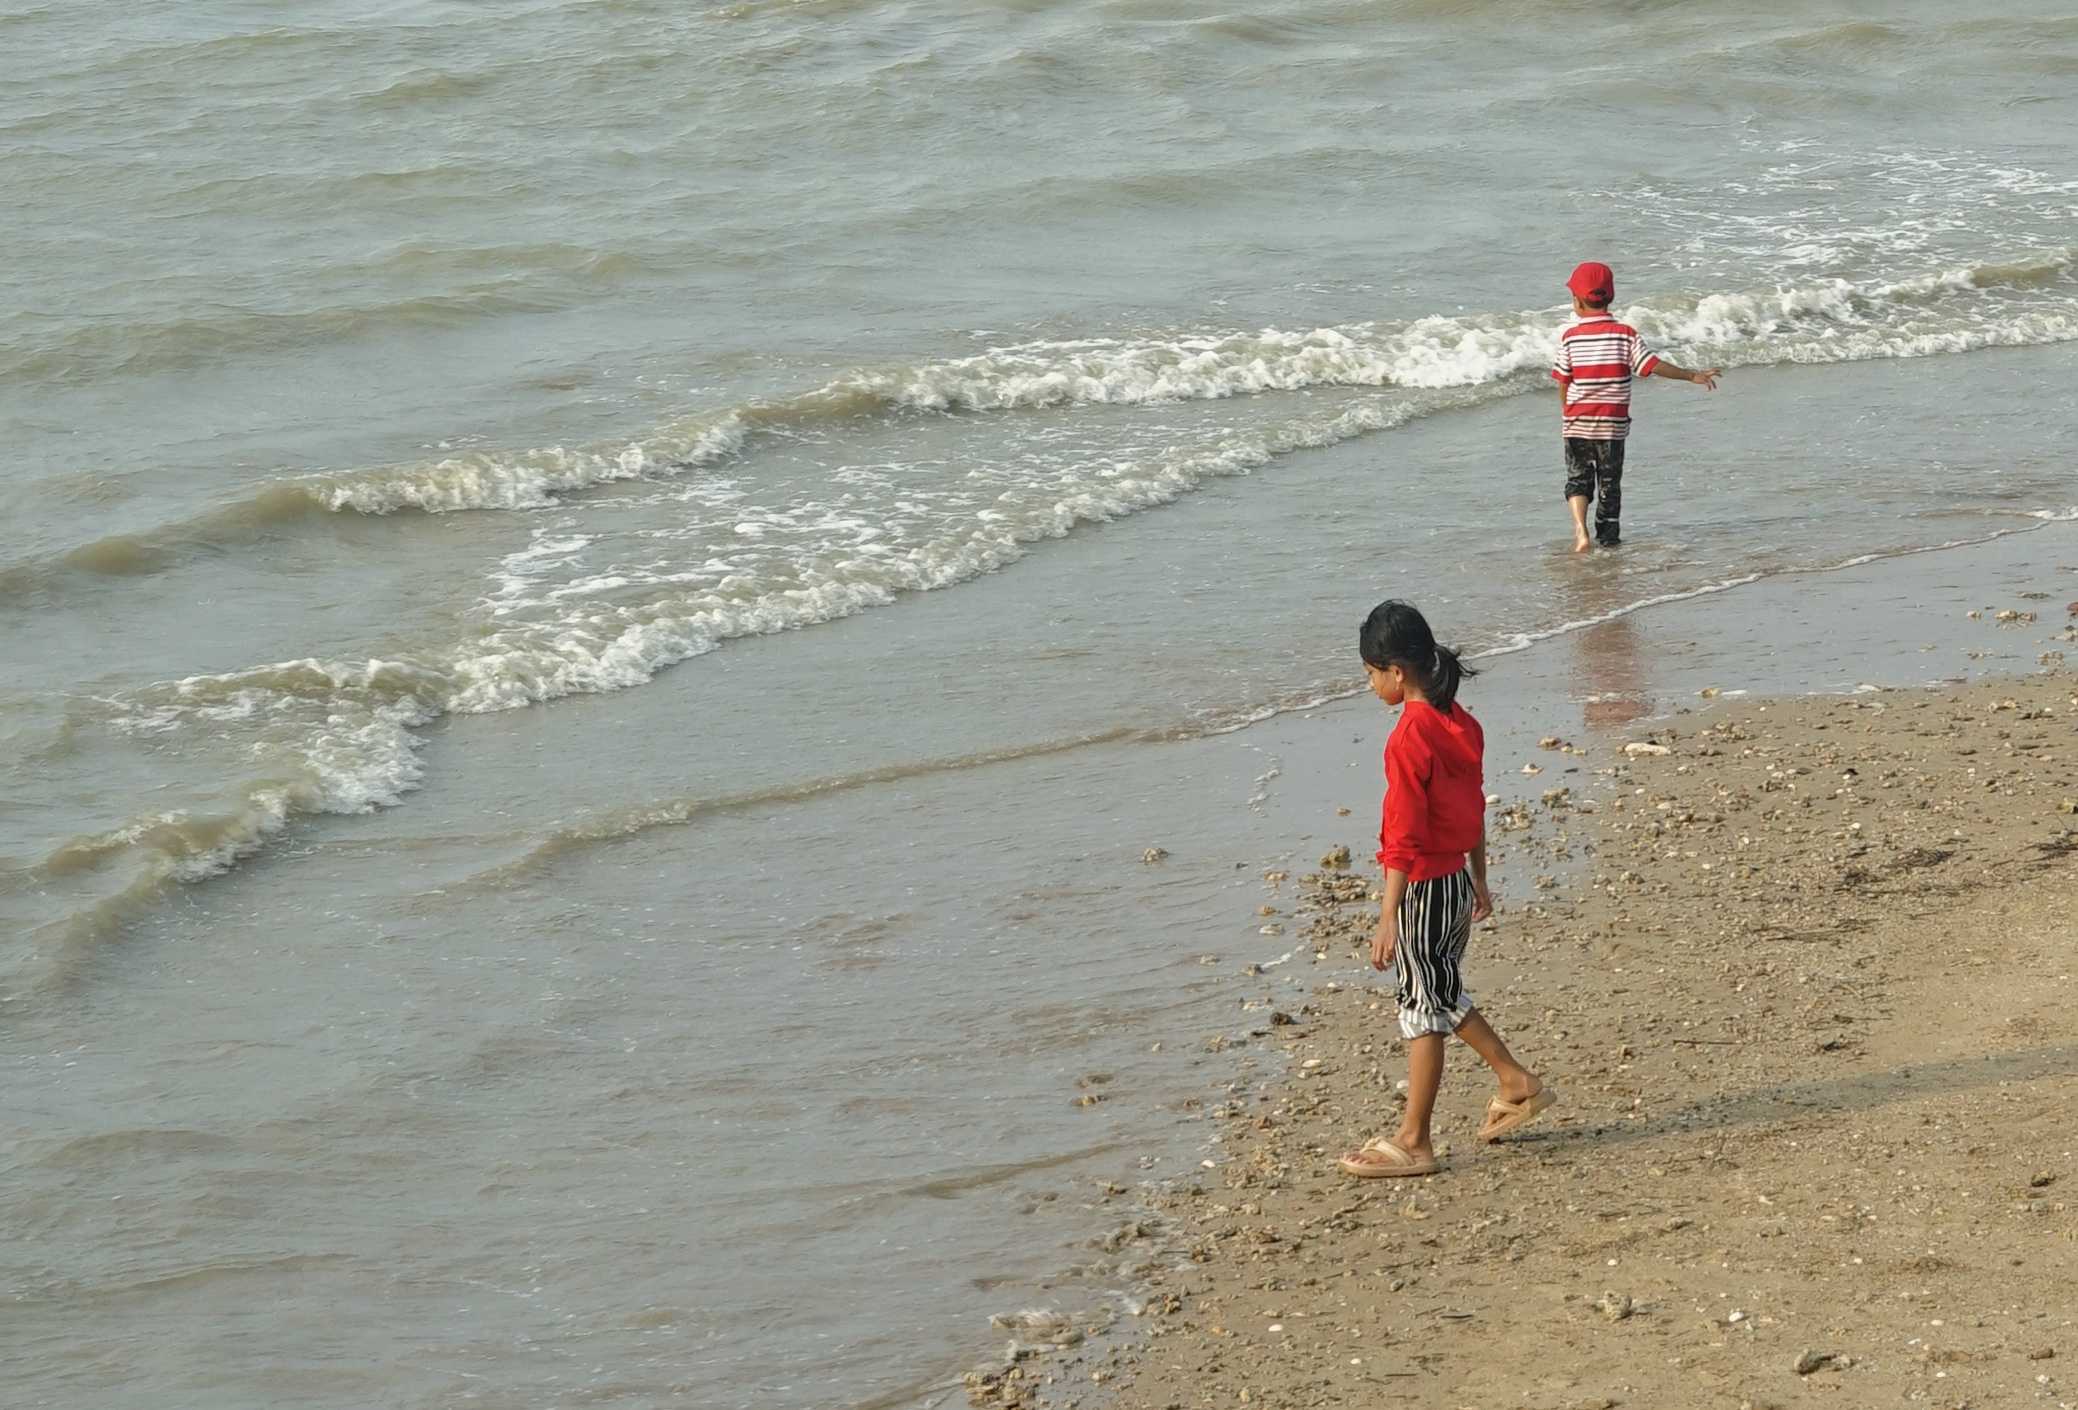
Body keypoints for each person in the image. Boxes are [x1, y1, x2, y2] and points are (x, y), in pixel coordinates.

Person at [1338, 601, 1554, 1178]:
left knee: (1421, 1006)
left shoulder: (1410, 735)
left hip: (1424, 887)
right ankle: (1515, 1081)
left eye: (1369, 674)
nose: (1369, 685)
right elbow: (1472, 808)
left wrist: (1388, 914)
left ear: (1395, 671)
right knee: (1440, 989)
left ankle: (1415, 1140)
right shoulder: (1461, 723)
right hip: (1455, 879)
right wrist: (1479, 876)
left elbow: (1404, 836)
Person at [1552, 261, 1721, 554]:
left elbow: (1563, 380)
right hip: (1612, 424)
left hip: (1577, 422)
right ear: (1610, 297)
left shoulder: (1570, 338)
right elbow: (1652, 365)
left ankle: (1580, 530)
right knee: (1609, 482)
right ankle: (1608, 538)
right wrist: (1691, 375)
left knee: (1578, 478)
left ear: (1577, 301)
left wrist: (1566, 413)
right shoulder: (1625, 334)